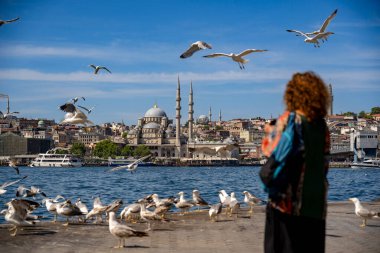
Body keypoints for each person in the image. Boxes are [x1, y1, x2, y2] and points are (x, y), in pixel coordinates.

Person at [260, 72, 331, 253]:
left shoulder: (290, 120)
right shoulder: (322, 127)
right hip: (316, 205)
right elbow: (324, 166)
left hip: (287, 205)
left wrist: (269, 129)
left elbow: (269, 150)